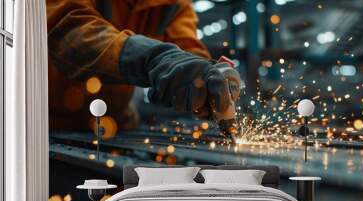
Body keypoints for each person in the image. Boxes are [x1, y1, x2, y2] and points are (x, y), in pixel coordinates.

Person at [47, 0, 235, 136]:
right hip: (48, 124)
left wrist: (204, 78)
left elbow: (188, 52)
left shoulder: (174, 4)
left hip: (115, 124)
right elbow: (70, 32)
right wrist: (152, 59)